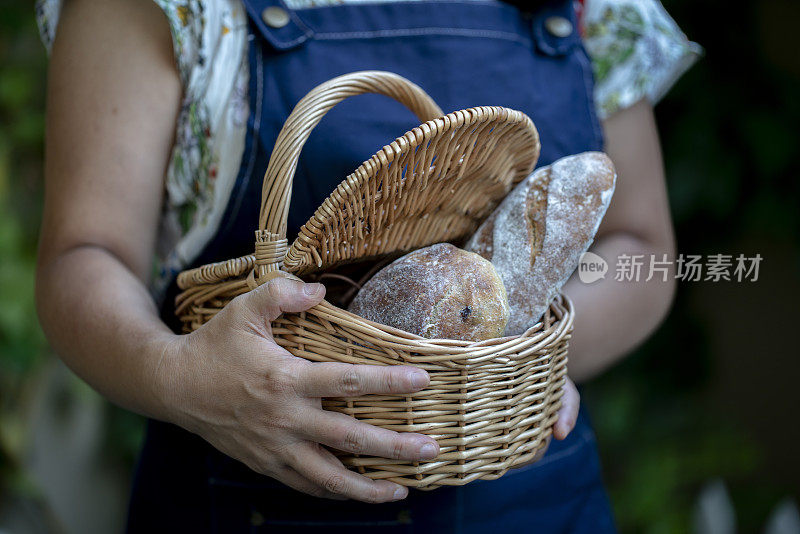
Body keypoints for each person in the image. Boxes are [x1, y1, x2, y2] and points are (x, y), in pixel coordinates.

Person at [34, 0, 699, 530]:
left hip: (529, 498)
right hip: (250, 494)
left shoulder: (595, 8)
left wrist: (512, 361)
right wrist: (180, 377)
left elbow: (640, 247)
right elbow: (86, 254)